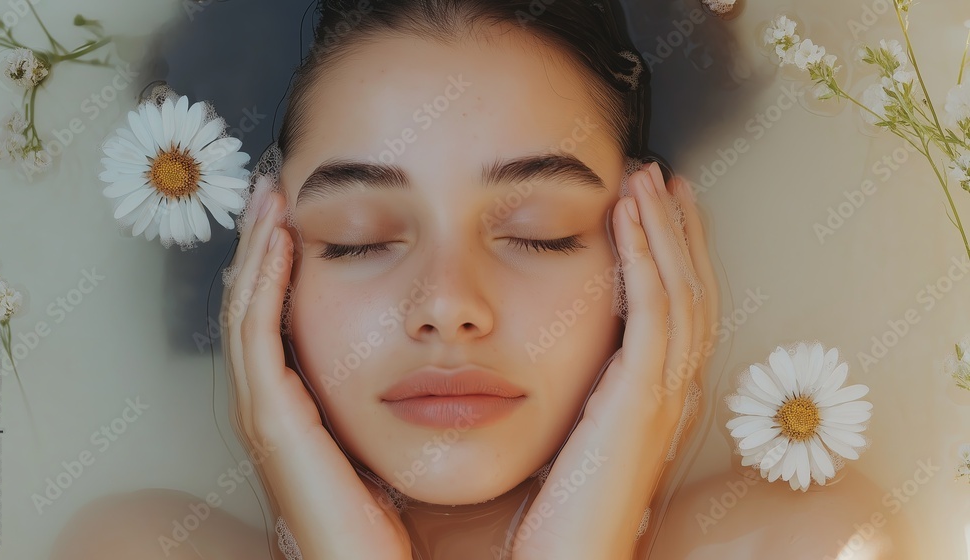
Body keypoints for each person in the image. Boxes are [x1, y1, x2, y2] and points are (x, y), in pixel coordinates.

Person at [53, 1, 903, 558]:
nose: (448, 305)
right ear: (258, 278)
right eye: (358, 240)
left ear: (661, 257)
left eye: (540, 234)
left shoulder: (809, 543)